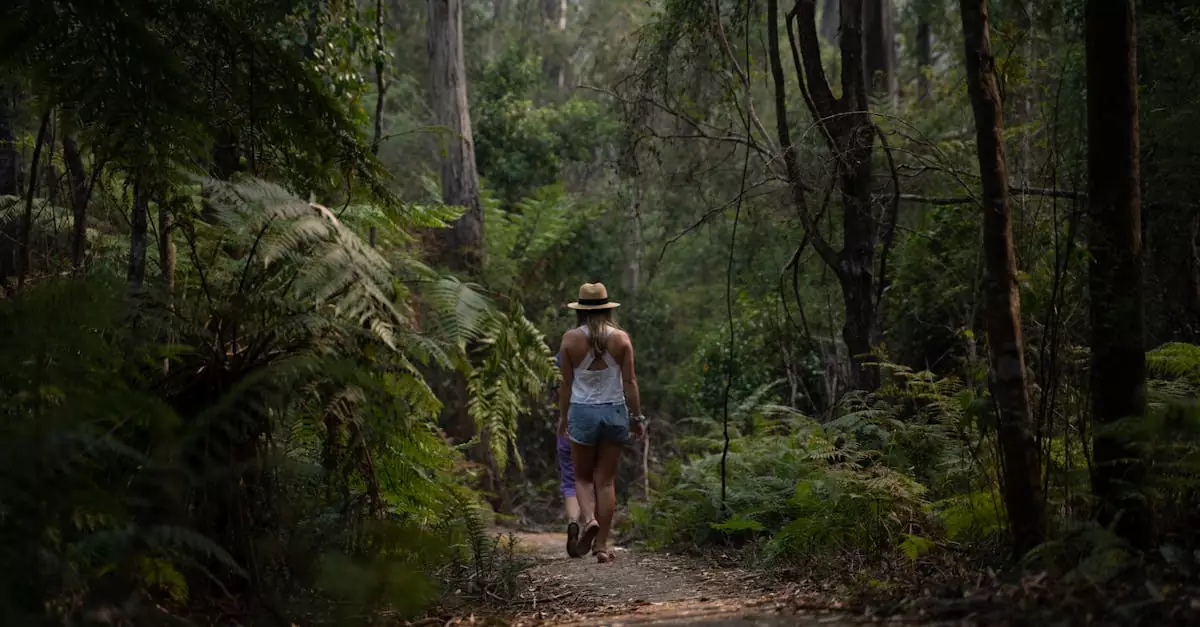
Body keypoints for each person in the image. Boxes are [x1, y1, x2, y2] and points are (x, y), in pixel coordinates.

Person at [557, 282, 646, 563]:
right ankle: (602, 547)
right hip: (614, 412)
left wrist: (562, 418)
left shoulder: (570, 340)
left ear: (580, 311)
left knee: (582, 478)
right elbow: (630, 382)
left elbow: (565, 386)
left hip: (582, 413)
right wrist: (637, 417)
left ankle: (589, 519)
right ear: (608, 308)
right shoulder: (621, 339)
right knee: (605, 482)